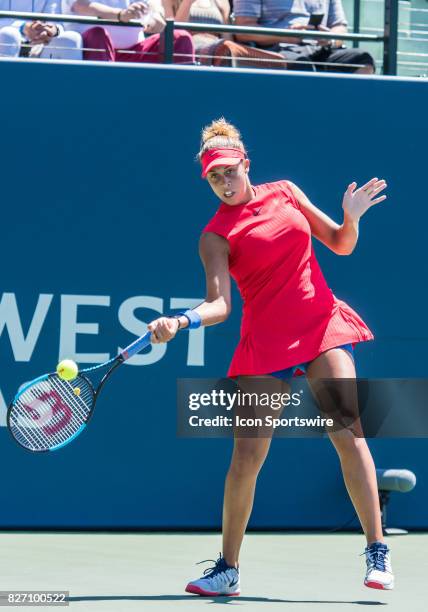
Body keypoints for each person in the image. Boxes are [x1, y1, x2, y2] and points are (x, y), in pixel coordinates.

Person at [146, 117, 395, 596]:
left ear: (246, 164)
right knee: (246, 457)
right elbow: (219, 306)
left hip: (322, 325)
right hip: (266, 342)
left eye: (229, 171)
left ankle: (377, 551)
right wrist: (180, 321)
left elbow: (341, 245)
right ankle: (227, 569)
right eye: (213, 177)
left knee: (349, 431)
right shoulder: (215, 236)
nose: (223, 183)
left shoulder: (285, 191)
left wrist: (353, 216)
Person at [233, 0, 376, 74]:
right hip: (275, 51)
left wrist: (330, 39)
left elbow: (340, 28)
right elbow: (243, 31)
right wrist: (286, 36)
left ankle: (348, 118)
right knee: (302, 65)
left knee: (362, 60)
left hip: (321, 50)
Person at [162, 0, 287, 68]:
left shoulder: (221, 2)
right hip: (186, 47)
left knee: (229, 49)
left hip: (218, 48)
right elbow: (172, 33)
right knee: (226, 48)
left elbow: (227, 36)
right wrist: (187, 2)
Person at [64, 0, 194, 63]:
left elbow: (151, 8)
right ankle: (102, 98)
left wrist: (155, 18)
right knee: (98, 34)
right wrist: (120, 15)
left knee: (180, 37)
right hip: (91, 52)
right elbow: (81, 5)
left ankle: (179, 99)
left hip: (134, 52)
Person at [0, 0, 82, 59]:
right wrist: (23, 27)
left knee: (71, 39)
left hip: (38, 45)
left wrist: (52, 30)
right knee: (8, 34)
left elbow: (56, 22)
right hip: (5, 41)